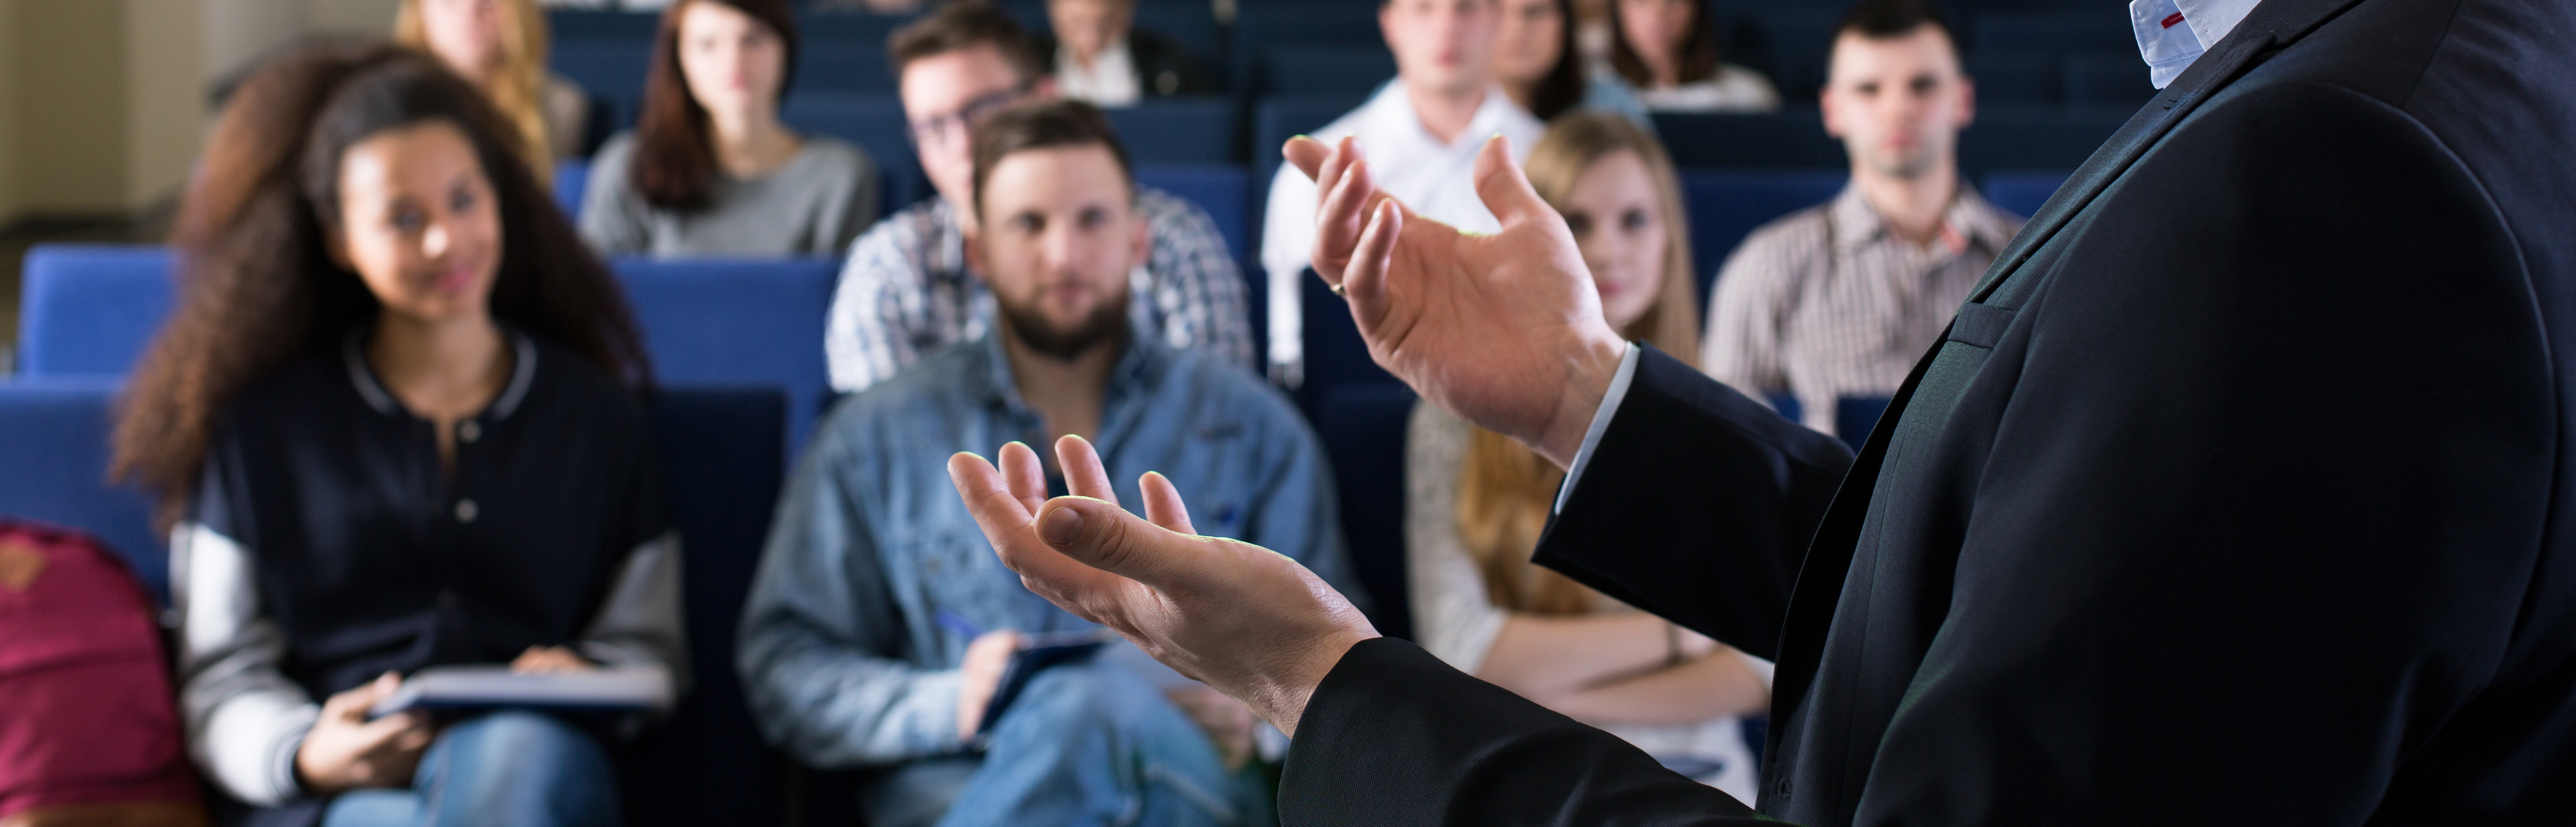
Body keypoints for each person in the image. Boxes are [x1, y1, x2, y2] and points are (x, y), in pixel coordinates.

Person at [945, 0, 2576, 821]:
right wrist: (1593, 399)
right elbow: (2020, 596)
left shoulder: (2319, 175)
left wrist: (1324, 678)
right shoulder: (2407, 83)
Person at [741, 100, 1362, 827]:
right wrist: (948, 701)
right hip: (962, 780)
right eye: (1029, 224)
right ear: (978, 252)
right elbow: (786, 666)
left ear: (1138, 240)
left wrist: (1260, 714)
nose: (1063, 255)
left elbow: (1344, 655)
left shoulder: (1253, 426)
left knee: (1087, 707)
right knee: (1074, 715)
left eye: (1092, 220)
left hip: (1192, 778)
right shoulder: (876, 434)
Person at [113, 46, 678, 827]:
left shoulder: (595, 415)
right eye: (403, 219)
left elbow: (651, 647)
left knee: (519, 753)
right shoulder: (262, 429)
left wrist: (591, 674)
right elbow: (220, 669)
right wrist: (306, 750)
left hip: (539, 763)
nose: (446, 242)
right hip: (347, 785)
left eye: (462, 201)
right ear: (340, 240)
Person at [1403, 111, 1769, 803]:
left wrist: (1570, 701)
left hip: (1699, 778)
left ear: (1670, 237)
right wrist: (1676, 638)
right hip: (1529, 780)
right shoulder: (1454, 415)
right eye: (1577, 222)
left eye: (1635, 220)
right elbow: (1463, 649)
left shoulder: (1733, 410)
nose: (1607, 251)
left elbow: (1768, 668)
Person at [826, 0, 1252, 394]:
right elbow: (887, 459)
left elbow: (1222, 429)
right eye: (932, 128)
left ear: (1046, 98)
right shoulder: (888, 265)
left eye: (981, 109)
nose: (960, 144)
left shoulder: (1175, 238)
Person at [1700, 1, 2019, 436]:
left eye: (1923, 86)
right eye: (1869, 89)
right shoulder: (1767, 265)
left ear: (1963, 100)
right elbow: (1726, 442)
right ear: (1834, 110)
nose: (1897, 109)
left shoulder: (2036, 259)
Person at [1259, 0, 1546, 387]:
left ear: (1497, 19)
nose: (1446, 28)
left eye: (1466, 8)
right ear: (1390, 23)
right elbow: (1288, 356)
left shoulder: (1549, 163)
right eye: (1424, 8)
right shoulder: (1314, 178)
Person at [579, 0, 880, 257]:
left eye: (753, 39)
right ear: (680, 59)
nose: (734, 61)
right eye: (708, 45)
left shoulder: (840, 175)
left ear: (786, 49)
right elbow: (596, 303)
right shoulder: (629, 166)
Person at [396, 0, 589, 171]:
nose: (471, 11)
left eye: (488, 1)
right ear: (420, 12)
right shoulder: (394, 103)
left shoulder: (560, 107)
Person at [1491, 0, 1649, 122]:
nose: (1517, 28)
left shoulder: (1610, 109)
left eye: (1535, 12)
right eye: (1498, 12)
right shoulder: (1473, 120)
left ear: (1565, 23)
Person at [1040, 0, 1219, 106]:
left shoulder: (1168, 62)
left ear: (1126, 13)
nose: (1091, 38)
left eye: (1105, 23)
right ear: (1054, 13)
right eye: (1077, 22)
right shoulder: (1031, 60)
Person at [1612, 0, 1776, 112]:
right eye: (1641, 1)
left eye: (1673, 0)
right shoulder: (1598, 95)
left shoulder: (1749, 95)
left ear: (1698, 10)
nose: (1658, 12)